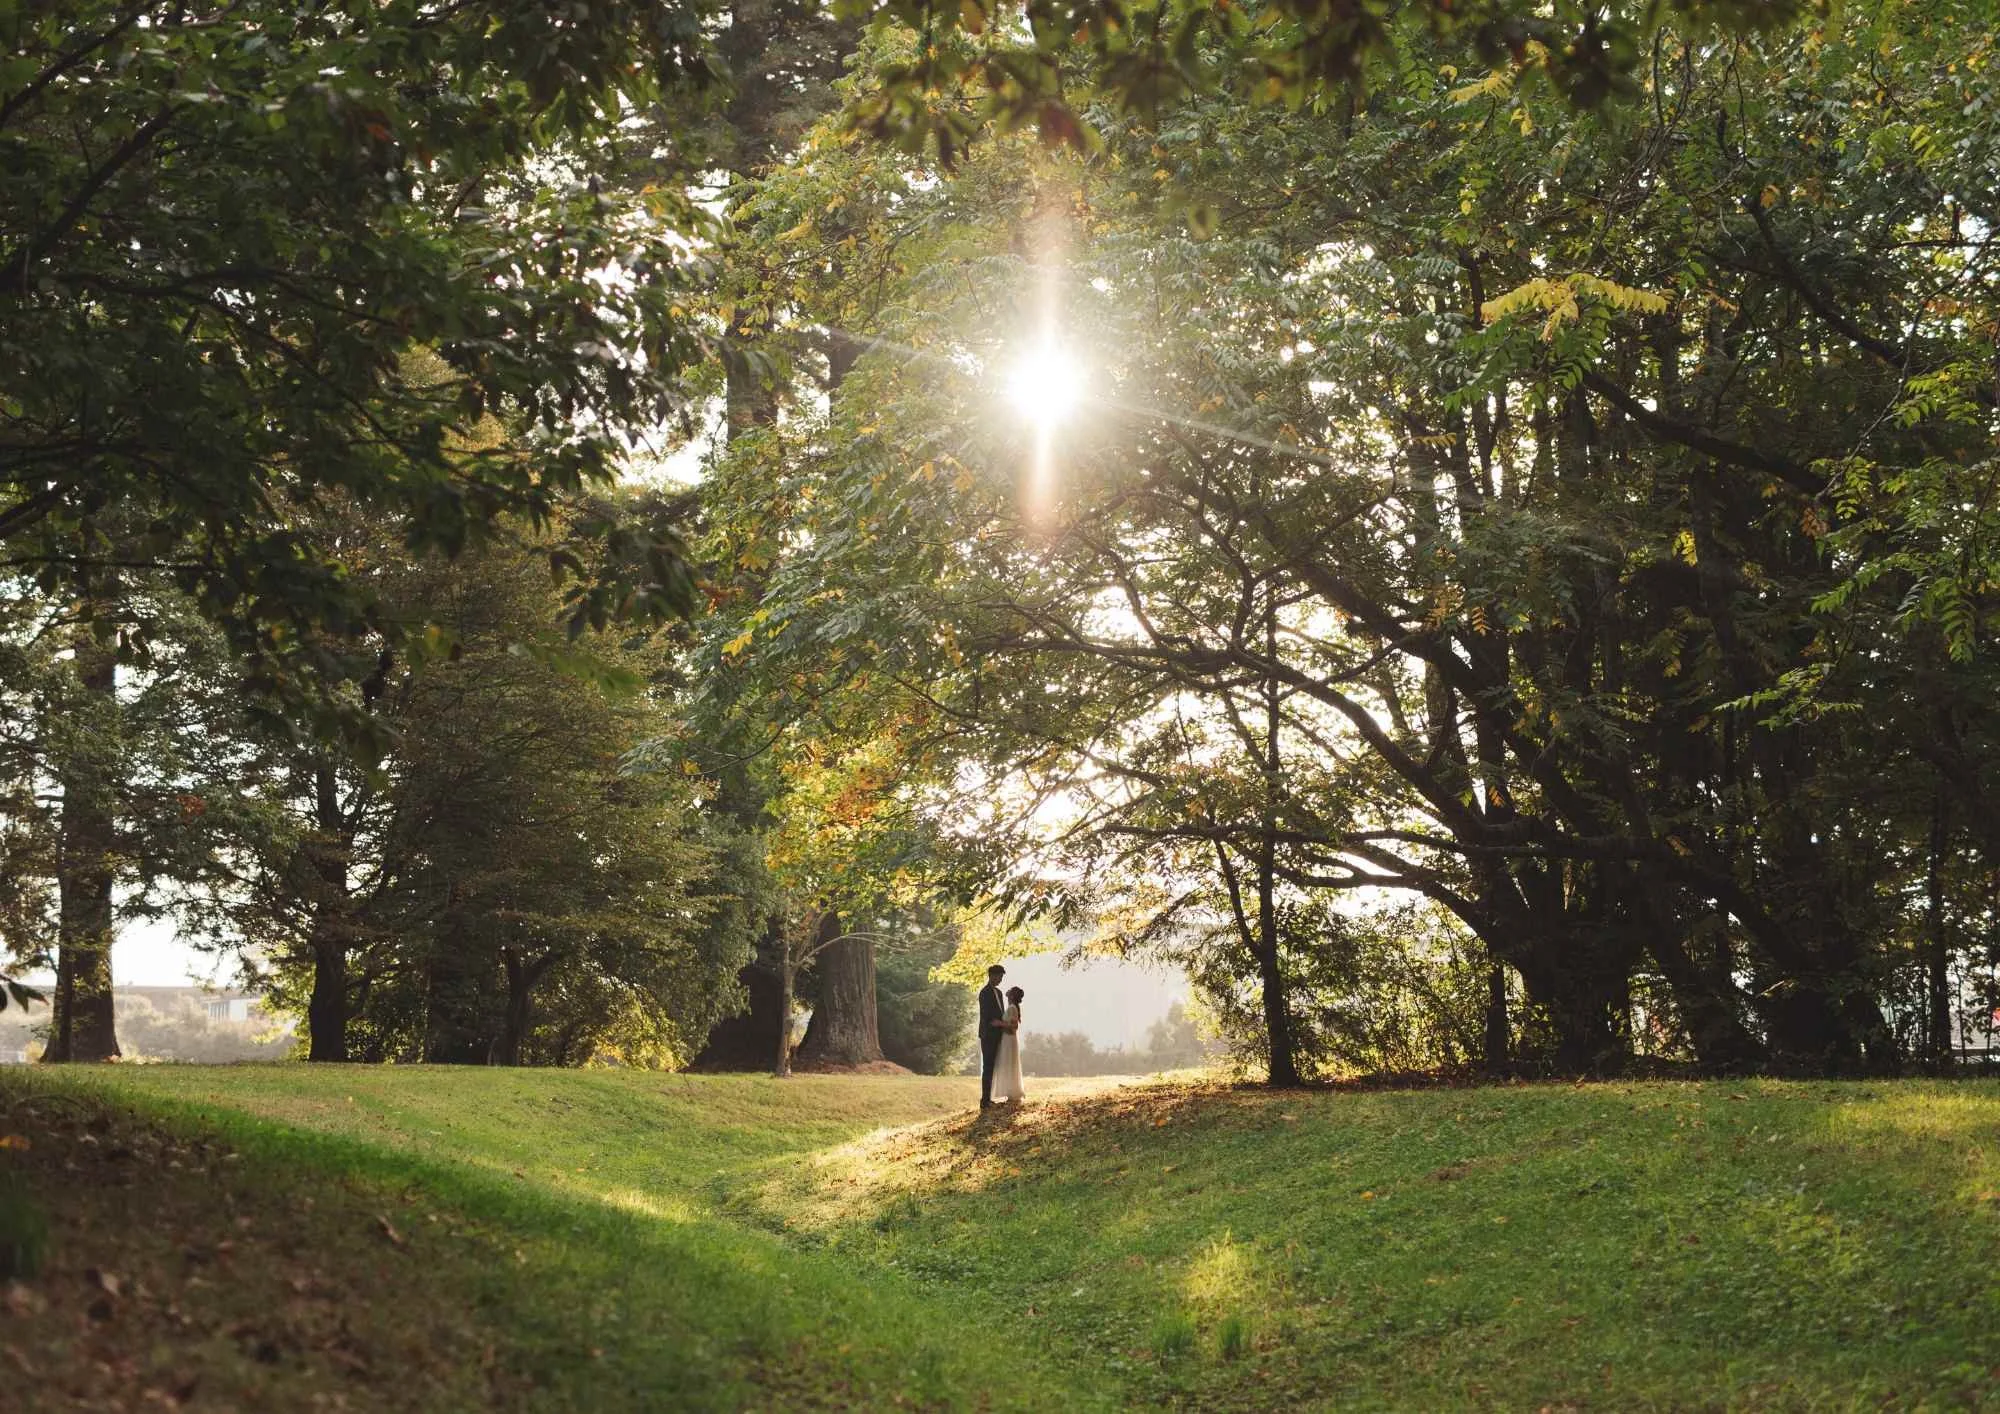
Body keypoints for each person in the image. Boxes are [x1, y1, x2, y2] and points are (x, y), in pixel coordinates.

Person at [977, 965, 1007, 1108]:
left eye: (1002, 977)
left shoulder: (999, 993)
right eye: (999, 976)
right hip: (988, 1034)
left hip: (999, 1033)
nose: (1000, 980)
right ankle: (985, 1100)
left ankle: (989, 1097)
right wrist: (994, 1023)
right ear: (991, 975)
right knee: (988, 1066)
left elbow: (1001, 1012)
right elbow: (985, 1014)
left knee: (995, 1066)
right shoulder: (984, 993)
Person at [992, 986, 1026, 1104]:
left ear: (1011, 996)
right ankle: (1010, 1092)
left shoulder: (1012, 1008)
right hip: (1008, 1039)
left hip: (1009, 1039)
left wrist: (999, 1023)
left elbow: (1014, 1027)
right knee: (1009, 1063)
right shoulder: (1013, 1007)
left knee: (1008, 1063)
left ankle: (1012, 1092)